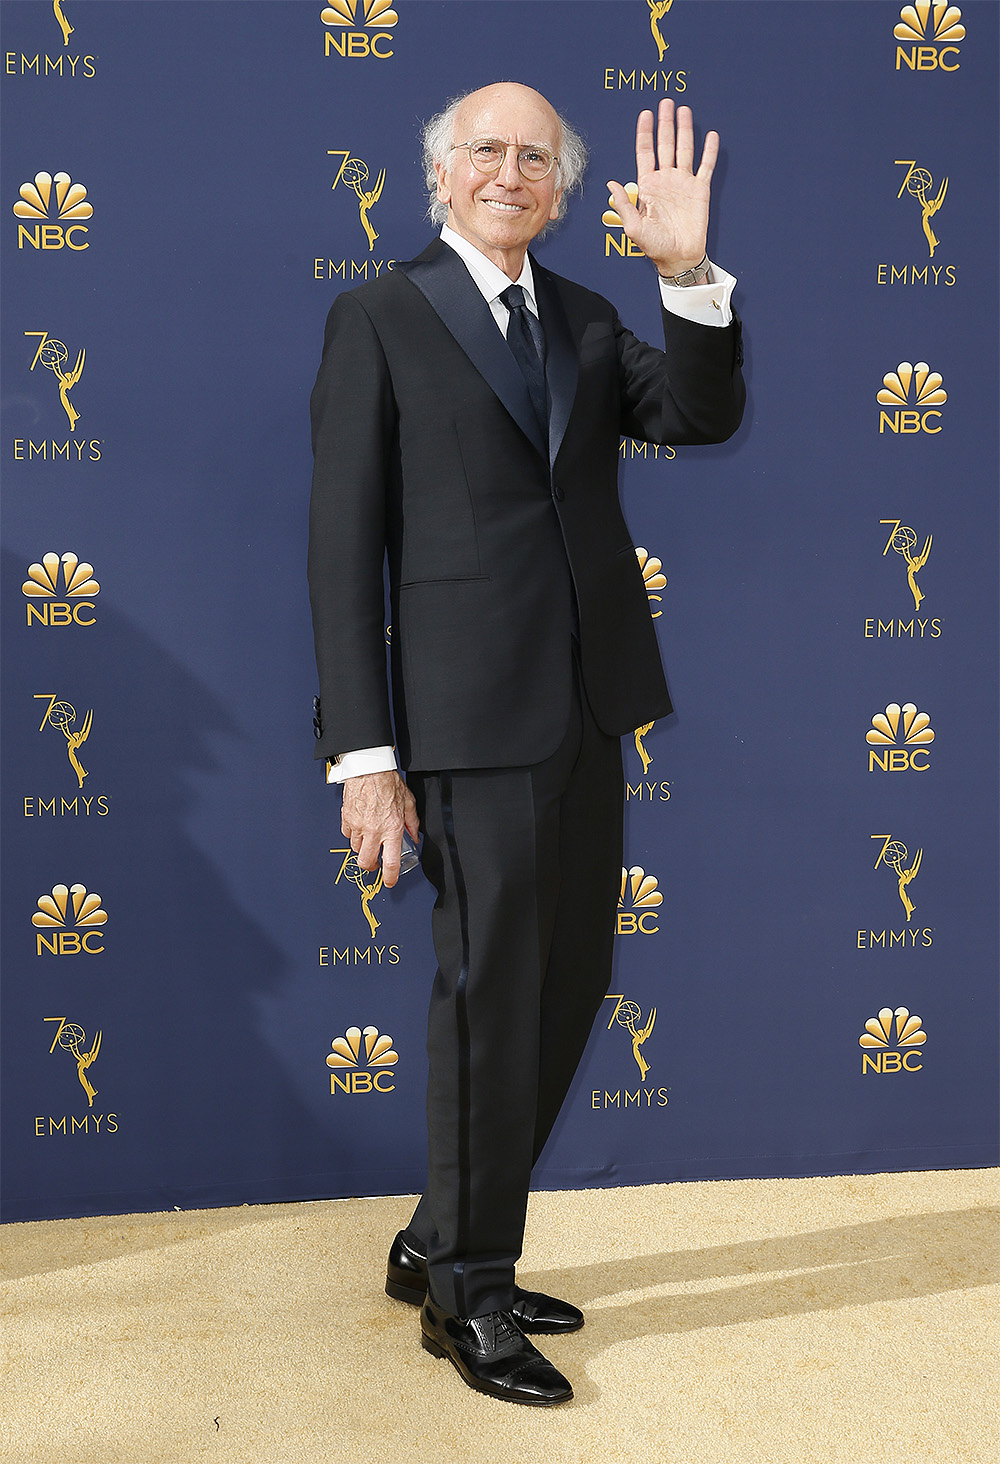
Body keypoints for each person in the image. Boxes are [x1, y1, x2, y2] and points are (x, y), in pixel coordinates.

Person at [309, 84, 745, 1406]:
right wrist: (364, 755)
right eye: (487, 151)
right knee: (491, 998)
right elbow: (344, 552)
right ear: (439, 175)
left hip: (587, 706)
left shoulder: (588, 318)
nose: (512, 170)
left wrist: (691, 274)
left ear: (562, 187)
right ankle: (470, 1295)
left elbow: (698, 416)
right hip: (460, 722)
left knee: (568, 986)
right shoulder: (378, 315)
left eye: (537, 157)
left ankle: (444, 1233)